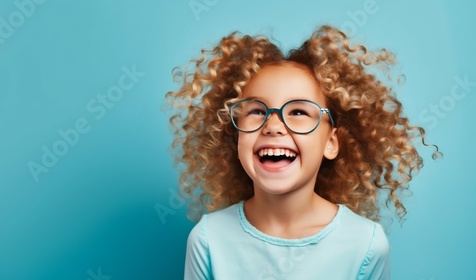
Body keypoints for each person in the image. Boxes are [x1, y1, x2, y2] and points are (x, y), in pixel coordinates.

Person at [166, 25, 439, 280]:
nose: (273, 126)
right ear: (236, 135)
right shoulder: (208, 238)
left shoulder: (366, 244)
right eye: (257, 110)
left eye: (298, 111)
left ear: (331, 143)